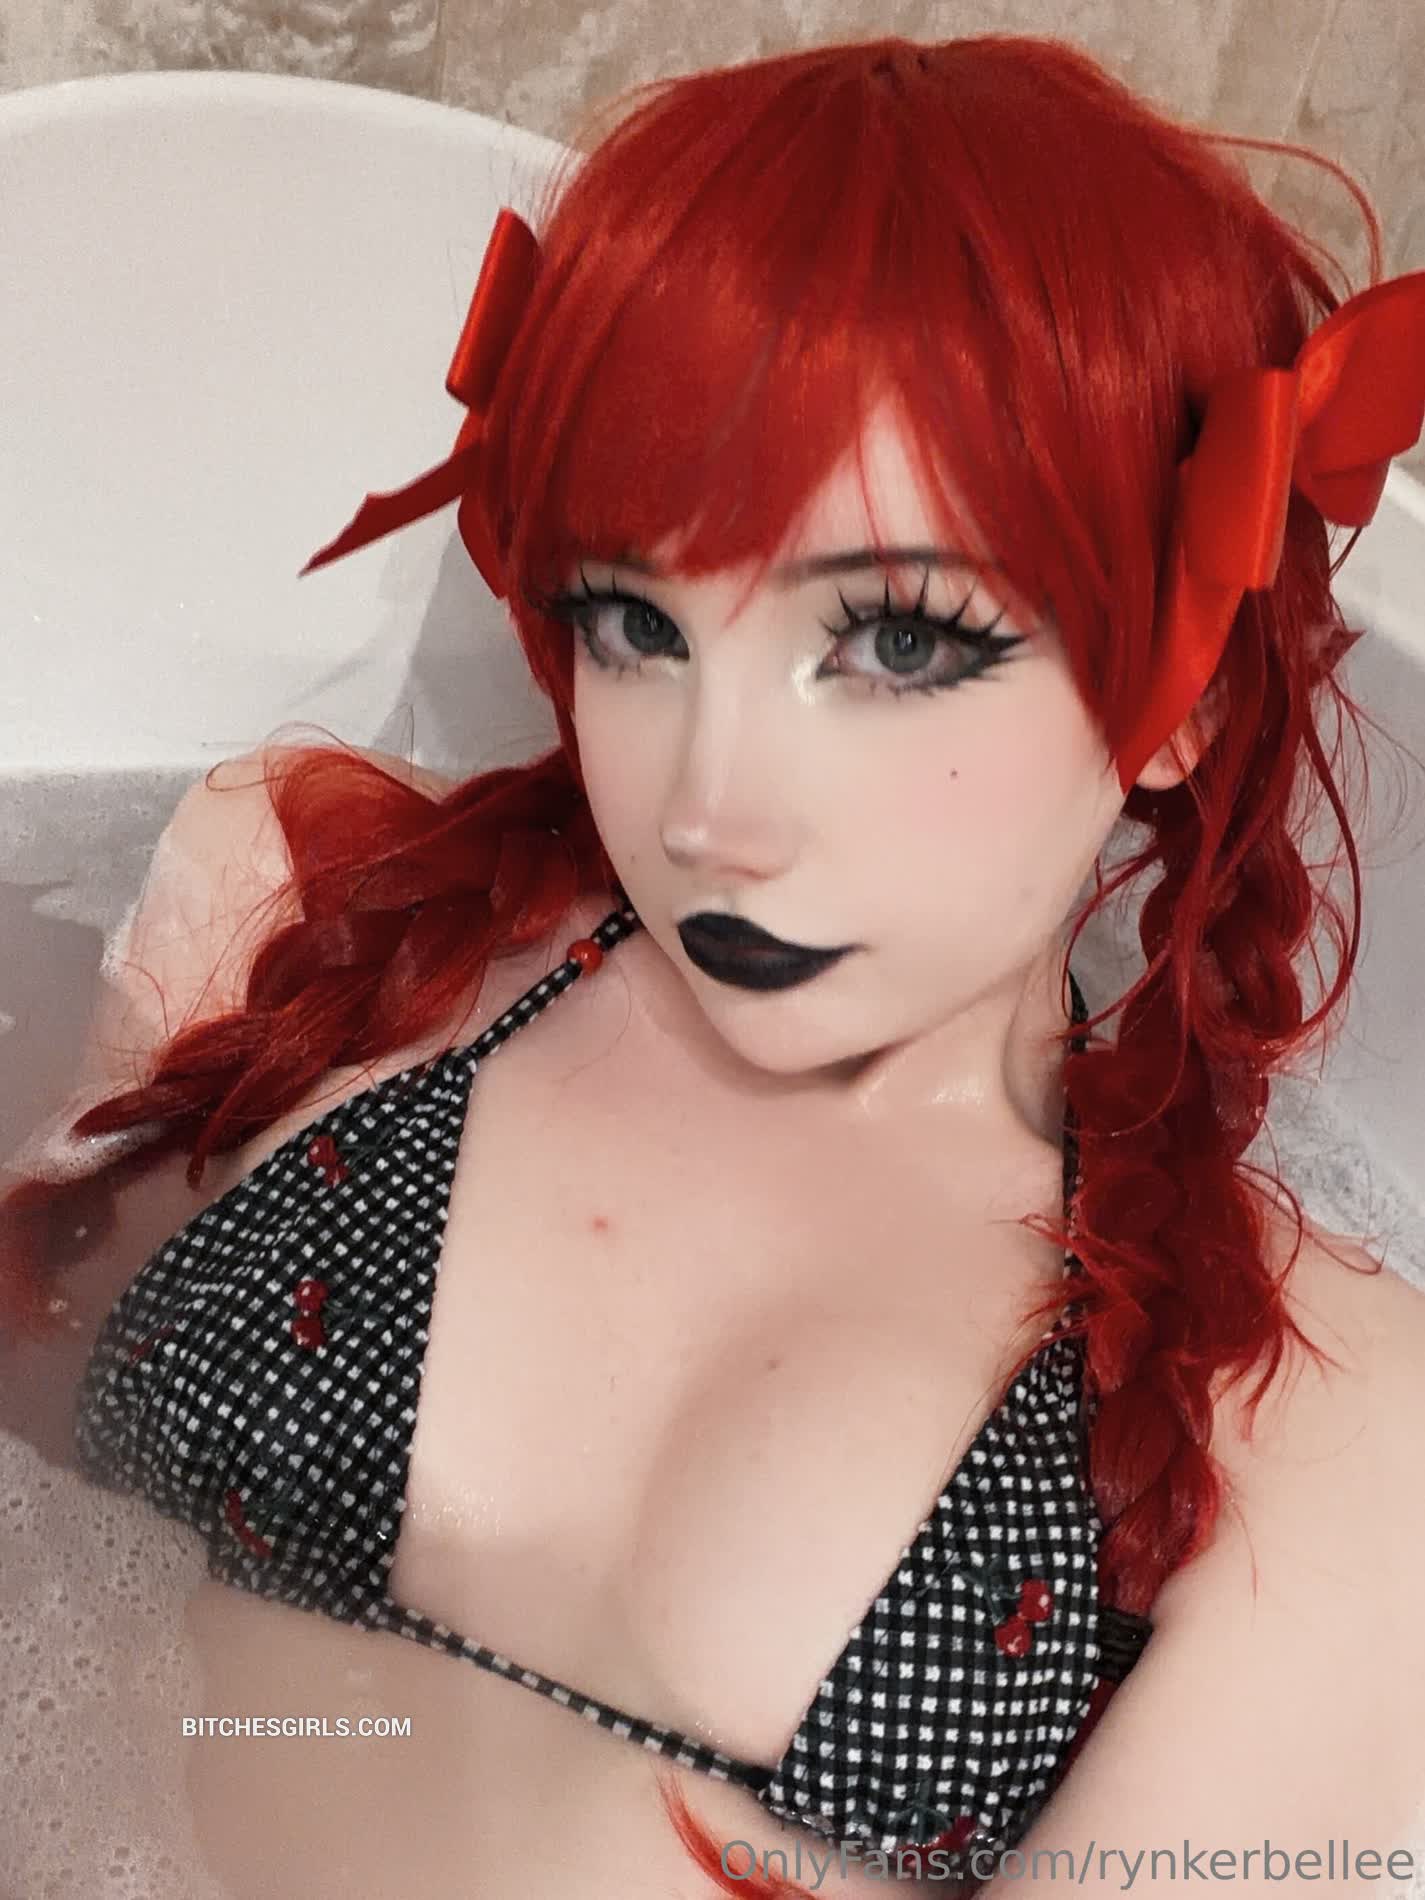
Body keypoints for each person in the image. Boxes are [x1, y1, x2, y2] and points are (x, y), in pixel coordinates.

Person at [5, 30, 1425, 1899]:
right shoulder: (297, 902)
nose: (708, 807)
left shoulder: (1323, 1425)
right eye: (635, 621)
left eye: (896, 643)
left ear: (1180, 697)